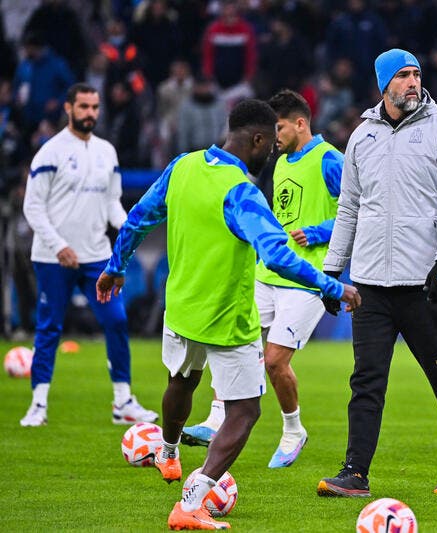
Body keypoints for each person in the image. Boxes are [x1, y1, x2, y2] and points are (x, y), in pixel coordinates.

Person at [96, 98, 360, 530]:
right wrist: (334, 286)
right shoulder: (242, 193)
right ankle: (192, 501)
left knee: (180, 381)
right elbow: (276, 255)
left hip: (180, 309)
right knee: (245, 411)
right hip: (226, 318)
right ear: (256, 139)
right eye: (268, 145)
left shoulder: (183, 166)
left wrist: (114, 267)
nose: (271, 153)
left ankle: (167, 451)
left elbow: (139, 218)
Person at [317, 48, 437, 498]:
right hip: (370, 284)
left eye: (416, 74)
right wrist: (333, 270)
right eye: (403, 76)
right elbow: (348, 208)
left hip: (423, 284)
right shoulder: (362, 137)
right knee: (366, 381)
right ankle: (354, 472)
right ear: (384, 84)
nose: (413, 82)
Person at [181, 89, 343, 470]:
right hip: (266, 272)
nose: (275, 137)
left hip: (306, 279)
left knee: (274, 362)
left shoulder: (330, 160)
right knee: (235, 340)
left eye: (280, 127)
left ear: (301, 123)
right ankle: (217, 415)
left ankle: (293, 430)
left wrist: (319, 231)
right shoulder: (282, 161)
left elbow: (362, 214)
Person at [19, 83, 157, 427]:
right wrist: (58, 245)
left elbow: (113, 202)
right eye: (83, 107)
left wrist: (130, 231)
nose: (90, 113)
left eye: (95, 107)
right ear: (68, 108)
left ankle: (123, 401)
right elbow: (32, 207)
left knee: (117, 320)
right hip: (54, 258)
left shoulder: (107, 152)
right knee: (49, 327)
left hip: (97, 256)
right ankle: (38, 404)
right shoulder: (49, 153)